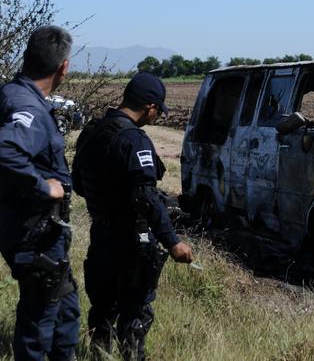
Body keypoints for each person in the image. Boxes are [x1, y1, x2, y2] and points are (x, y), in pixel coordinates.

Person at [72, 72, 193, 360]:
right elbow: (147, 199)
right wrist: (173, 242)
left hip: (100, 234)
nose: (157, 118)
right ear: (150, 106)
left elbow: (78, 183)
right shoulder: (134, 141)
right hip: (131, 242)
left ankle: (99, 356)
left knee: (101, 310)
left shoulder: (92, 132)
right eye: (157, 111)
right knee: (135, 314)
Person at [0, 26, 80, 360]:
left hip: (34, 230)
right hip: (35, 233)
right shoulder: (28, 108)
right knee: (39, 325)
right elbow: (5, 149)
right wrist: (43, 185)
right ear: (63, 67)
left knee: (65, 312)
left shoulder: (12, 94)